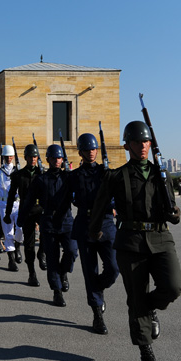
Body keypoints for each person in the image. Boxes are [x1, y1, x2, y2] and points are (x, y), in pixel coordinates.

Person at [90, 121, 181, 361]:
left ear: (150, 145)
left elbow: (171, 209)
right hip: (130, 242)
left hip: (161, 238)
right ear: (127, 145)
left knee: (174, 286)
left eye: (146, 142)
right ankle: (146, 355)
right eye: (137, 142)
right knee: (136, 297)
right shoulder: (116, 176)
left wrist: (175, 214)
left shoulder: (161, 175)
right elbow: (99, 207)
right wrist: (94, 232)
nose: (142, 146)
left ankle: (150, 308)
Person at [57, 133, 119, 334]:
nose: (92, 153)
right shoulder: (74, 176)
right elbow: (65, 200)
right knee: (89, 271)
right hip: (84, 224)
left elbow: (119, 196)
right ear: (81, 152)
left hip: (106, 223)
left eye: (94, 149)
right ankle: (97, 315)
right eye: (87, 150)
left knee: (114, 268)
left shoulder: (106, 172)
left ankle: (97, 288)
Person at [18, 144, 77, 307]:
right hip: (49, 222)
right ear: (48, 159)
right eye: (54, 158)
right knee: (52, 259)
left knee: (72, 251)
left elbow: (79, 195)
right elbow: (29, 200)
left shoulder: (69, 177)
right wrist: (20, 219)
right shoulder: (41, 179)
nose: (57, 161)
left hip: (66, 221)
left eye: (59, 158)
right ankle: (57, 292)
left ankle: (63, 273)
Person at [5, 144, 46, 286]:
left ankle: (42, 253)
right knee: (28, 245)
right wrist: (8, 213)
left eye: (35, 156)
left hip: (40, 209)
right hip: (26, 211)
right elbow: (11, 196)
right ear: (26, 158)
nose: (33, 159)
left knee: (46, 235)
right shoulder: (18, 175)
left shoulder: (42, 174)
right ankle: (32, 274)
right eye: (30, 156)